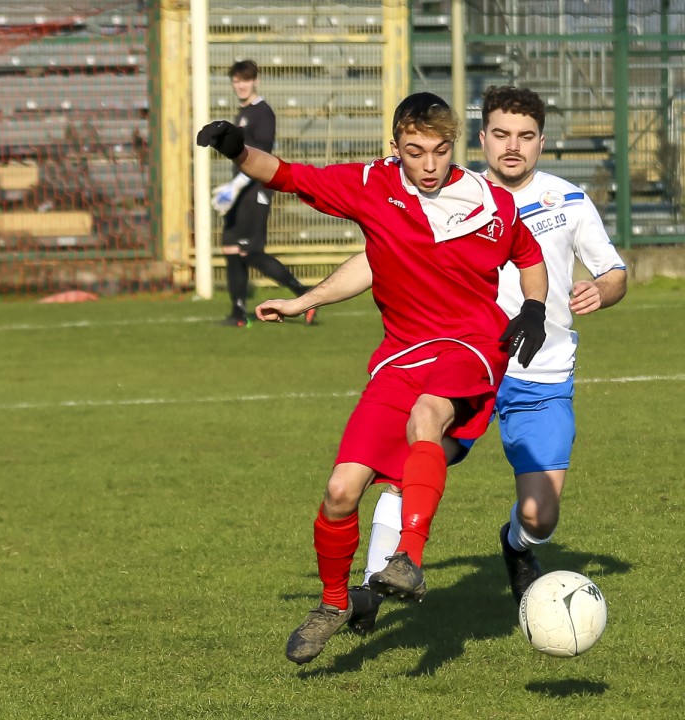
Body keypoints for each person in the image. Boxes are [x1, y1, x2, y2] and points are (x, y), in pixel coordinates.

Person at [197, 91, 549, 664]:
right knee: (340, 492)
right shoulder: (370, 185)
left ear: (453, 145)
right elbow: (284, 174)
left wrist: (532, 308)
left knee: (427, 416)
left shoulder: (490, 202)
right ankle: (334, 603)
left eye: (440, 151)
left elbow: (529, 256)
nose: (429, 165)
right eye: (415, 152)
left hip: (472, 345)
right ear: (394, 147)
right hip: (400, 356)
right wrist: (236, 148)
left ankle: (409, 556)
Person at [346, 85, 628, 633]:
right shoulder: (452, 194)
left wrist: (603, 289)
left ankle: (516, 544)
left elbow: (613, 271)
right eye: (501, 134)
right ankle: (372, 585)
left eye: (525, 136)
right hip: (462, 367)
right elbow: (375, 255)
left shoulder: (569, 201)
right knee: (409, 462)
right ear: (482, 139)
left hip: (541, 376)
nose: (512, 146)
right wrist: (311, 296)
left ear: (541, 142)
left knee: (540, 517)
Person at [214, 59, 315, 328]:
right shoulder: (242, 114)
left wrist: (235, 187)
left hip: (256, 190)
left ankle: (304, 294)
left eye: (245, 80)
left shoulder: (263, 113)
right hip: (240, 190)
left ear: (255, 81)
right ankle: (238, 315)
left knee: (251, 252)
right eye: (237, 81)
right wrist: (232, 188)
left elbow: (263, 157)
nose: (241, 86)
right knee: (231, 247)